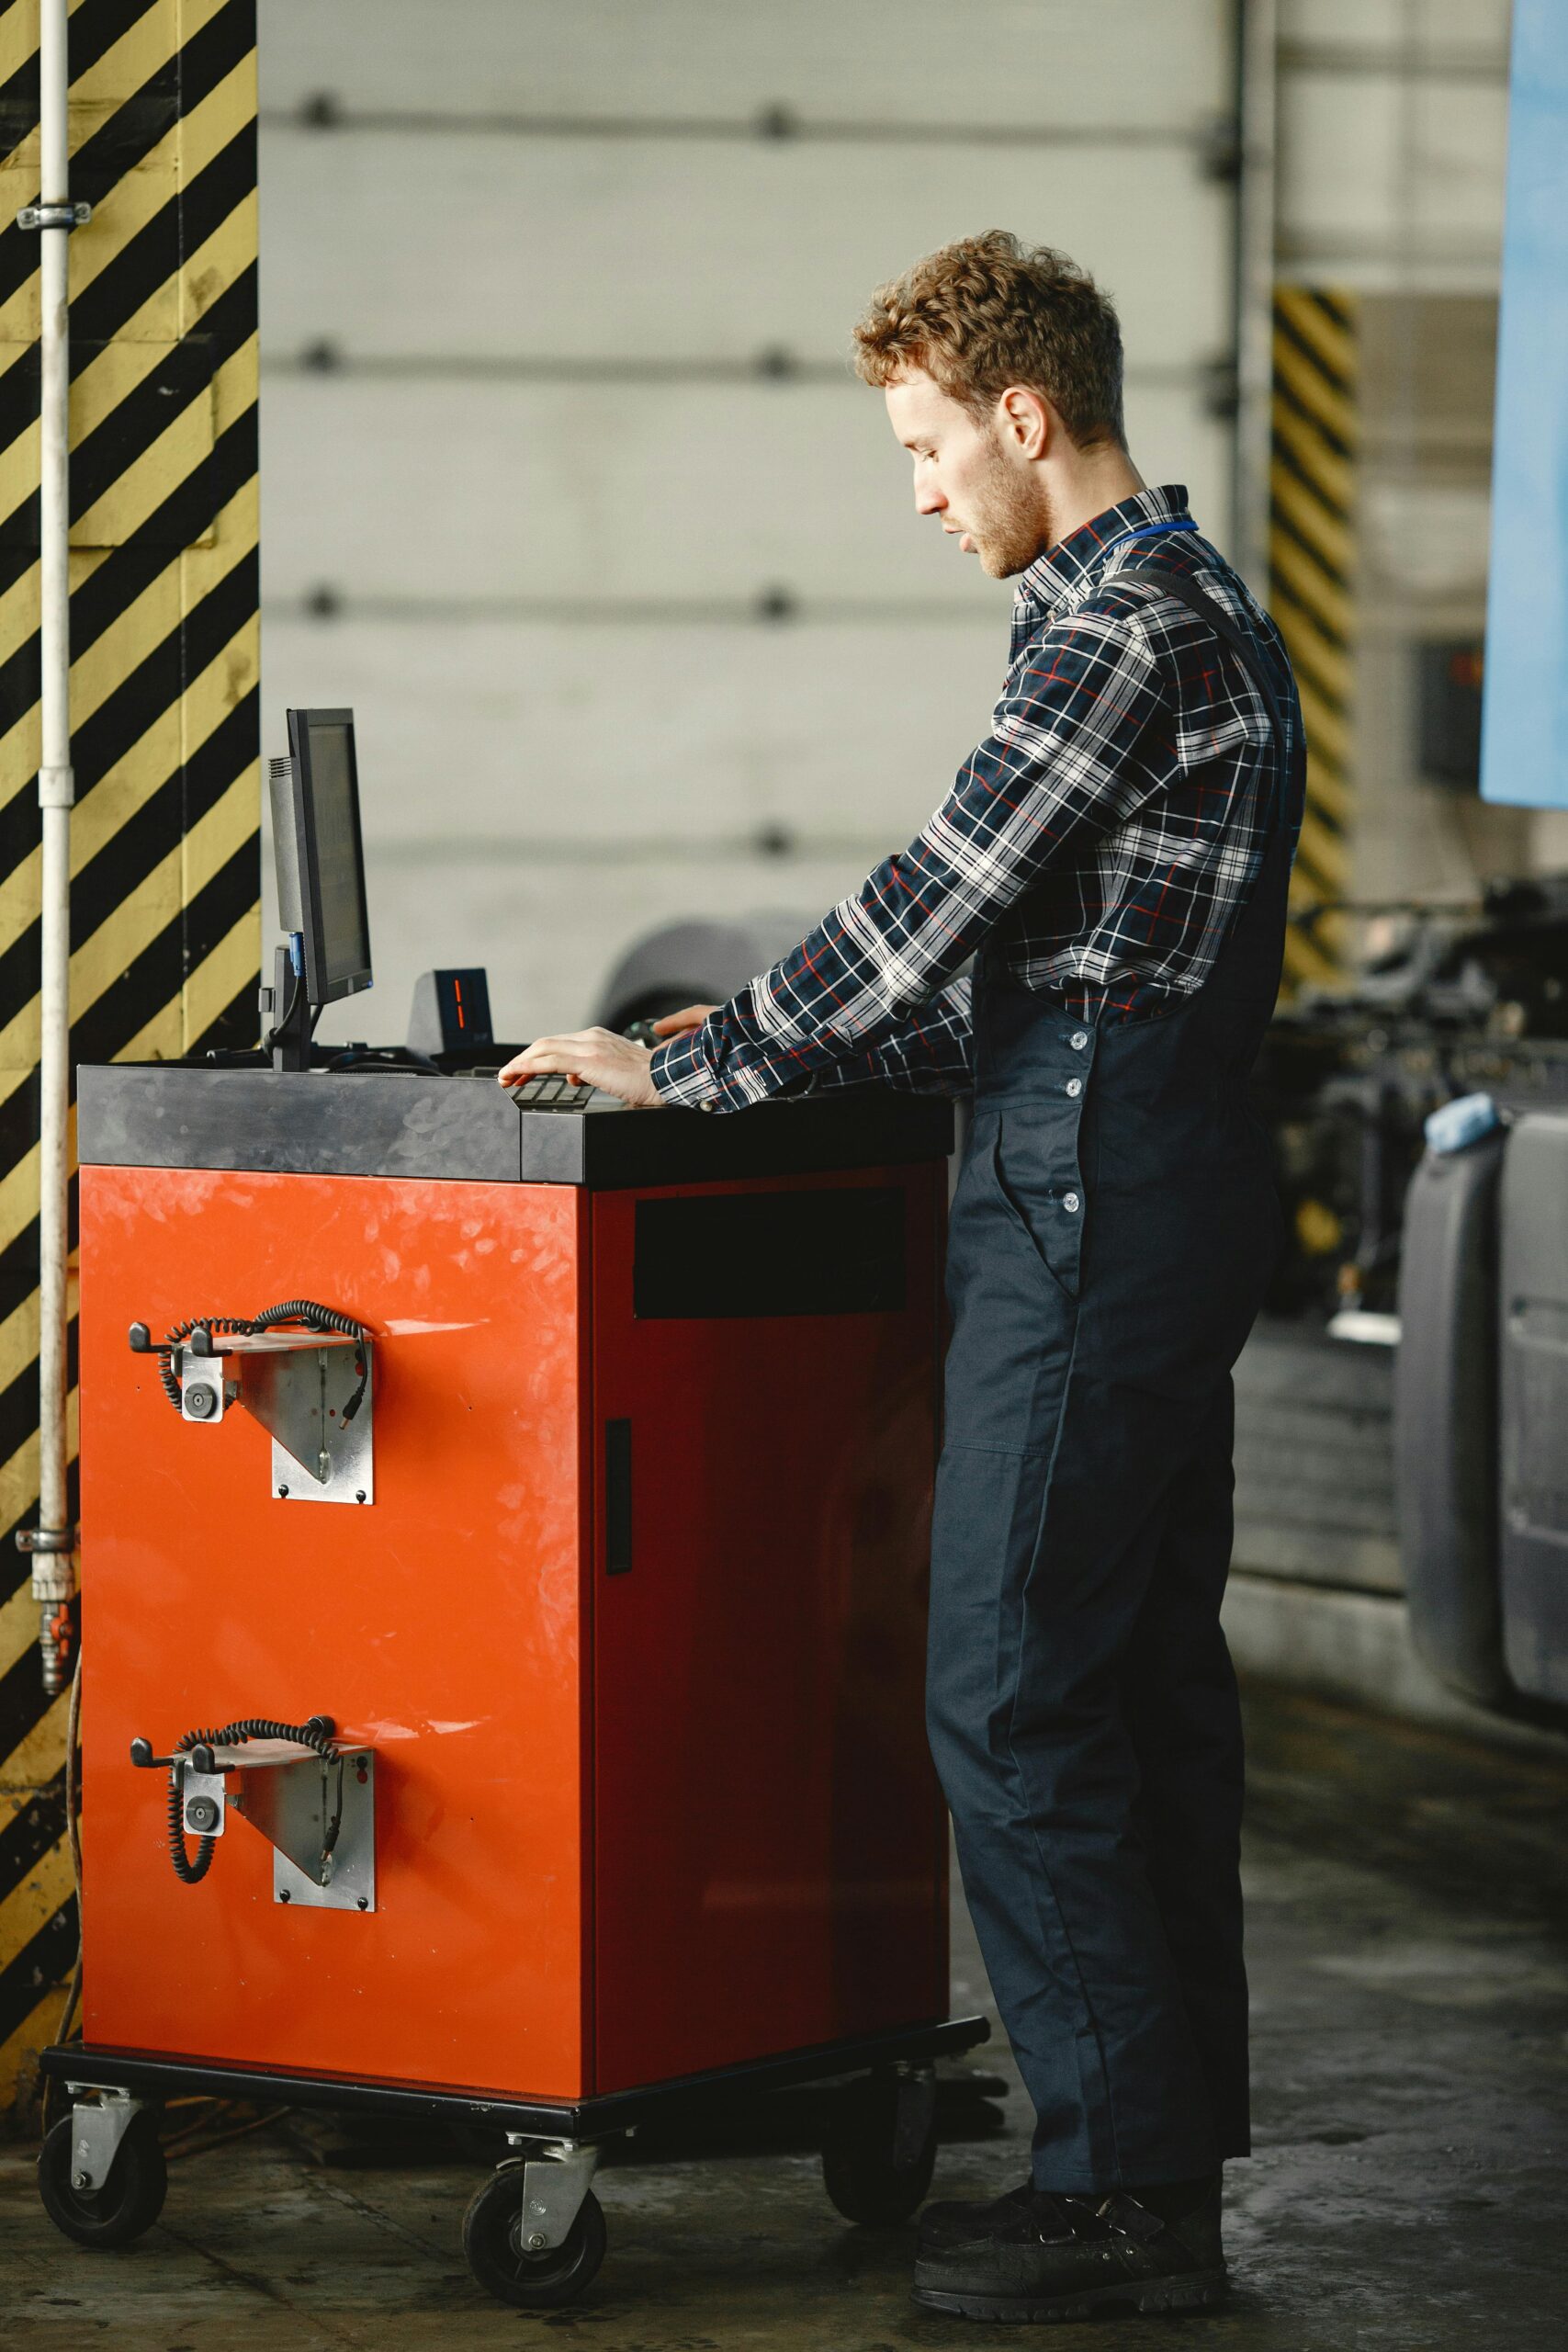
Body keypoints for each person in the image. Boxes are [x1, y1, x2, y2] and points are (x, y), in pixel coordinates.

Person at [499, 230, 1303, 2324]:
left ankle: (1114, 2199)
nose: (923, 491)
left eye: (933, 447)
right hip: (1135, 1175)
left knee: (1008, 1686)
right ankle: (1164, 2178)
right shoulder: (1178, 609)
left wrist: (698, 1069)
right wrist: (709, 1058)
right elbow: (1043, 972)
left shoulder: (1115, 626)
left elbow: (931, 902)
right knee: (1132, 1692)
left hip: (1091, 1202)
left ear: (1026, 417)